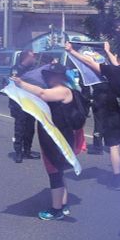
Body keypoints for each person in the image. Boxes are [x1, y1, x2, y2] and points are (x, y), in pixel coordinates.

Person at [10, 64, 78, 221]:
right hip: (55, 135)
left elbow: (42, 94)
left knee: (54, 171)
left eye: (51, 75)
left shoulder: (63, 90)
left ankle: (56, 210)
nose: (47, 77)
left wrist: (20, 83)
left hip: (57, 136)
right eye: (47, 74)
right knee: (58, 170)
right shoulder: (60, 89)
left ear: (59, 76)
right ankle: (63, 204)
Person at [67, 40, 120, 190]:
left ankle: (117, 178)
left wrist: (72, 51)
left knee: (113, 146)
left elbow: (90, 62)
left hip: (113, 113)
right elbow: (118, 65)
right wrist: (108, 51)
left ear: (119, 55)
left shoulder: (112, 71)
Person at [9, 50, 40, 163]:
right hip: (19, 104)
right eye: (32, 56)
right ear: (26, 57)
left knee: (30, 129)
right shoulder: (16, 69)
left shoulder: (33, 69)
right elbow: (14, 86)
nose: (34, 59)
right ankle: (18, 153)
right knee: (20, 129)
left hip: (31, 104)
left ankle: (27, 151)